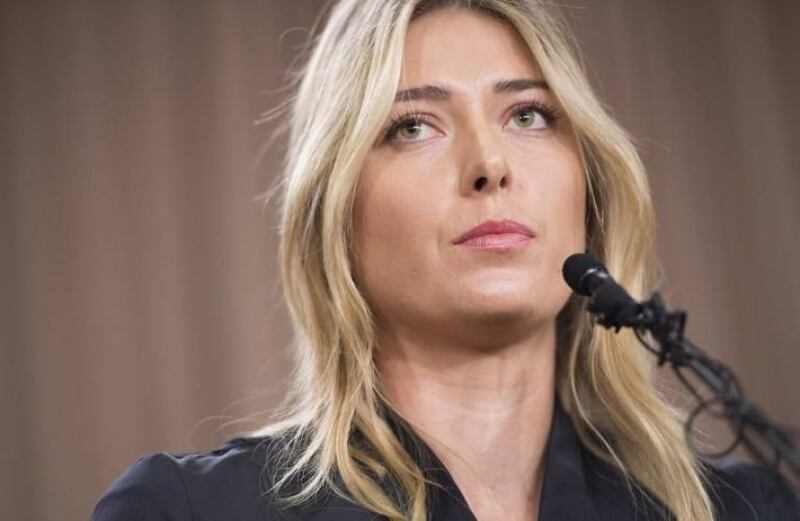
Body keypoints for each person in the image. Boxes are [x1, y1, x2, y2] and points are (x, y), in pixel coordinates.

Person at [91, 1, 800, 520]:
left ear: (590, 190)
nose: (489, 163)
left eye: (528, 114)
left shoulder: (744, 509)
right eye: (413, 126)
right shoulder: (188, 511)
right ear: (335, 214)